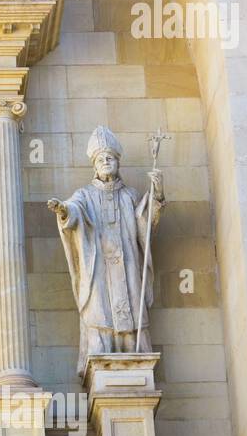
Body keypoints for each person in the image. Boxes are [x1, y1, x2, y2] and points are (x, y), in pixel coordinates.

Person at [47, 126, 163, 371]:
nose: (106, 161)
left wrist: (157, 193)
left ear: (117, 162)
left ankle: (134, 357)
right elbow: (74, 209)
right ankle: (102, 360)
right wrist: (63, 210)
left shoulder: (130, 195)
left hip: (128, 264)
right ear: (95, 165)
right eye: (101, 159)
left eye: (110, 158)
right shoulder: (85, 195)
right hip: (99, 268)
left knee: (132, 308)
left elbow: (146, 222)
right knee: (99, 311)